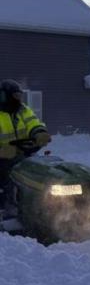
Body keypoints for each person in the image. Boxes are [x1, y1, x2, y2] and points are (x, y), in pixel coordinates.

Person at [0, 80, 51, 211]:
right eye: (15, 96)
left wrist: (39, 133)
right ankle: (9, 206)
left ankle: (45, 201)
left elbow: (33, 122)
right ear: (4, 96)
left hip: (22, 153)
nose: (18, 99)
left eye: (19, 96)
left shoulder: (23, 110)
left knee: (42, 170)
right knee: (9, 176)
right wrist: (2, 151)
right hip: (3, 158)